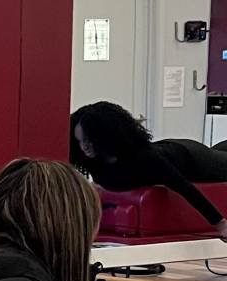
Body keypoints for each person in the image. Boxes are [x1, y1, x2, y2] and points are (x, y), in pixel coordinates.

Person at [70, 101, 227, 239]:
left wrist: (221, 225)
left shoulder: (145, 160)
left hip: (194, 159)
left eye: (89, 141)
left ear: (105, 138)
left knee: (221, 158)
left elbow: (185, 188)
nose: (84, 147)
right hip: (168, 147)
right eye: (80, 141)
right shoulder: (95, 162)